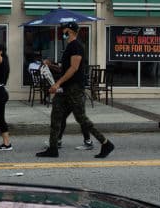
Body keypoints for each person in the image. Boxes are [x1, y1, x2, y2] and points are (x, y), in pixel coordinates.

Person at [37, 24, 114, 160]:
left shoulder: (76, 46)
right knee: (56, 116)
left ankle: (106, 143)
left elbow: (73, 68)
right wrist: (51, 66)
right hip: (65, 89)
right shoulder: (69, 46)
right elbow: (65, 68)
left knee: (81, 118)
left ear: (70, 31)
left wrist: (57, 83)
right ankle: (53, 148)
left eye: (64, 31)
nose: (62, 33)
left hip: (74, 88)